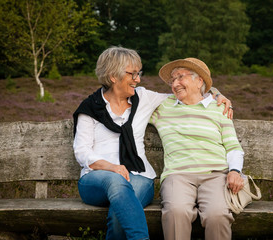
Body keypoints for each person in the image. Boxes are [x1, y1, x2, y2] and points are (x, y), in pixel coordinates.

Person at [72, 47, 233, 240]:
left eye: (138, 73)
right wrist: (112, 167)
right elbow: (81, 151)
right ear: (113, 76)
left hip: (139, 177)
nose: (138, 79)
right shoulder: (90, 108)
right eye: (132, 74)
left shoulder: (144, 98)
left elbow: (191, 95)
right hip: (96, 180)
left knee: (118, 216)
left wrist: (215, 92)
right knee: (116, 180)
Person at [150, 58, 245, 240]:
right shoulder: (162, 107)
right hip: (177, 175)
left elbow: (233, 146)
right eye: (172, 80)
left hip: (215, 175)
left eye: (180, 77)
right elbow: (132, 100)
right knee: (176, 212)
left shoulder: (219, 109)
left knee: (217, 215)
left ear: (199, 80)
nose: (175, 84)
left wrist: (234, 171)